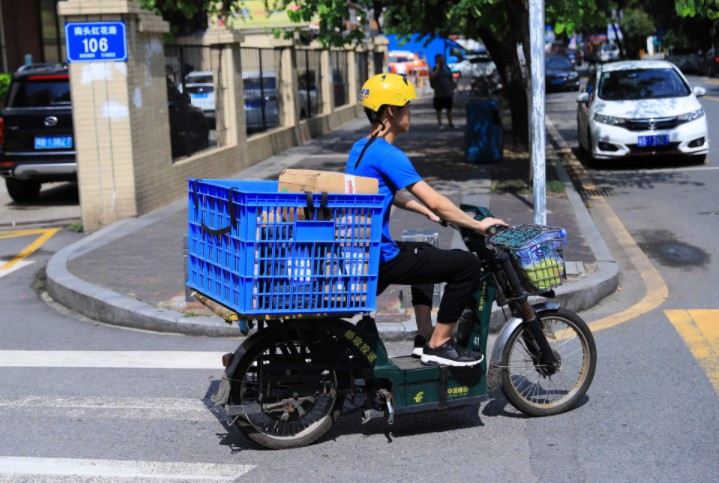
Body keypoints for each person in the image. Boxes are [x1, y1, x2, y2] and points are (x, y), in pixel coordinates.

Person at [347, 73, 507, 367]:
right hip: (380, 258)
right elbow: (436, 199)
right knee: (467, 265)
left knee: (423, 251)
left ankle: (424, 336)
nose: (411, 113)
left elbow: (385, 193)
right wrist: (475, 224)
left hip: (365, 253)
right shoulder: (389, 154)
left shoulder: (361, 149)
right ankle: (439, 343)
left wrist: (425, 212)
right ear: (391, 112)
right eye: (406, 107)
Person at [430, 54, 456, 129]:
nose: (440, 61)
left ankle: (450, 123)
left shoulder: (447, 68)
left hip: (447, 92)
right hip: (438, 93)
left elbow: (450, 79)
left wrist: (452, 88)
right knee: (438, 110)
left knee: (449, 109)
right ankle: (440, 123)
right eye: (438, 60)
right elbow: (432, 77)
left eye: (441, 59)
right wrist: (437, 69)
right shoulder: (434, 68)